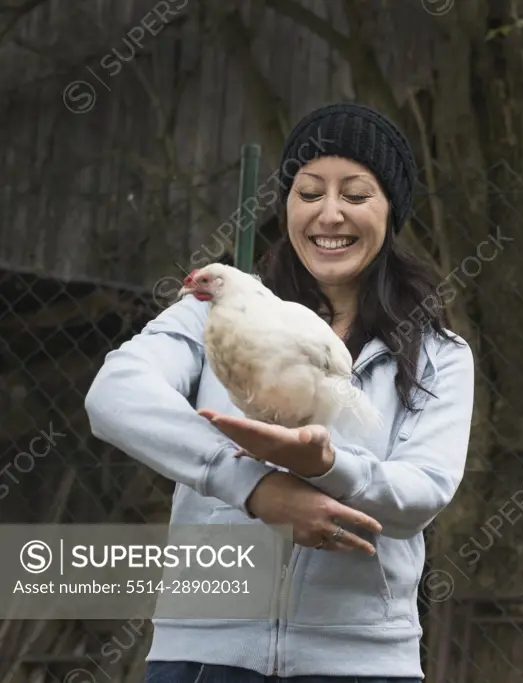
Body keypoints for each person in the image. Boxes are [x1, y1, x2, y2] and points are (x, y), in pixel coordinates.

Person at [84, 102, 475, 683]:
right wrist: (255, 488)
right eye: (309, 192)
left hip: (359, 661)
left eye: (357, 195)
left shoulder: (439, 354)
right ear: (287, 204)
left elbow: (422, 491)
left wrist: (329, 465)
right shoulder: (210, 317)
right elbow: (115, 395)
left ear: (391, 212)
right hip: (205, 655)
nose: (330, 214)